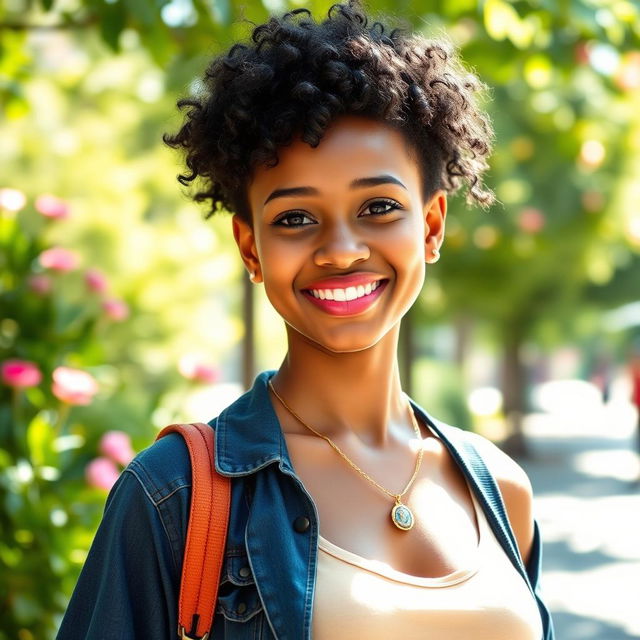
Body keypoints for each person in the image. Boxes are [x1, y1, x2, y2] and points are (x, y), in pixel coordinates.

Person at [57, 1, 554, 638]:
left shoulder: (503, 492)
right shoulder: (173, 497)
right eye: (295, 218)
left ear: (430, 226)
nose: (342, 249)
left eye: (378, 206)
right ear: (250, 248)